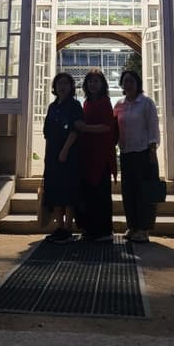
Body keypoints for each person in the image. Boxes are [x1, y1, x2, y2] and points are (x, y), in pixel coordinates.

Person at [113, 70, 160, 243]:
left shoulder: (146, 103)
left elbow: (153, 126)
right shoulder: (119, 104)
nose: (128, 84)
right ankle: (132, 226)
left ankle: (144, 229)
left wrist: (153, 150)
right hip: (126, 153)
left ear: (137, 83)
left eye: (131, 81)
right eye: (125, 81)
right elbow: (114, 127)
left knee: (144, 192)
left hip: (144, 152)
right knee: (128, 191)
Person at [75, 68, 117, 243]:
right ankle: (91, 229)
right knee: (90, 193)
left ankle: (104, 230)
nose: (93, 84)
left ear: (102, 84)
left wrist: (85, 128)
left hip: (101, 155)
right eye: (90, 81)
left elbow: (107, 127)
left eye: (96, 81)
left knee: (101, 193)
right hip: (88, 154)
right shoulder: (87, 103)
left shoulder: (105, 102)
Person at [42, 72, 83, 243]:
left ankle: (68, 227)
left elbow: (75, 130)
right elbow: (47, 133)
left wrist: (65, 150)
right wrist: (47, 156)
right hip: (52, 154)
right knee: (55, 191)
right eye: (59, 83)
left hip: (69, 154)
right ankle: (59, 227)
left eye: (66, 83)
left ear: (71, 86)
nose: (62, 86)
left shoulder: (74, 105)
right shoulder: (52, 107)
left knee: (68, 191)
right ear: (55, 86)